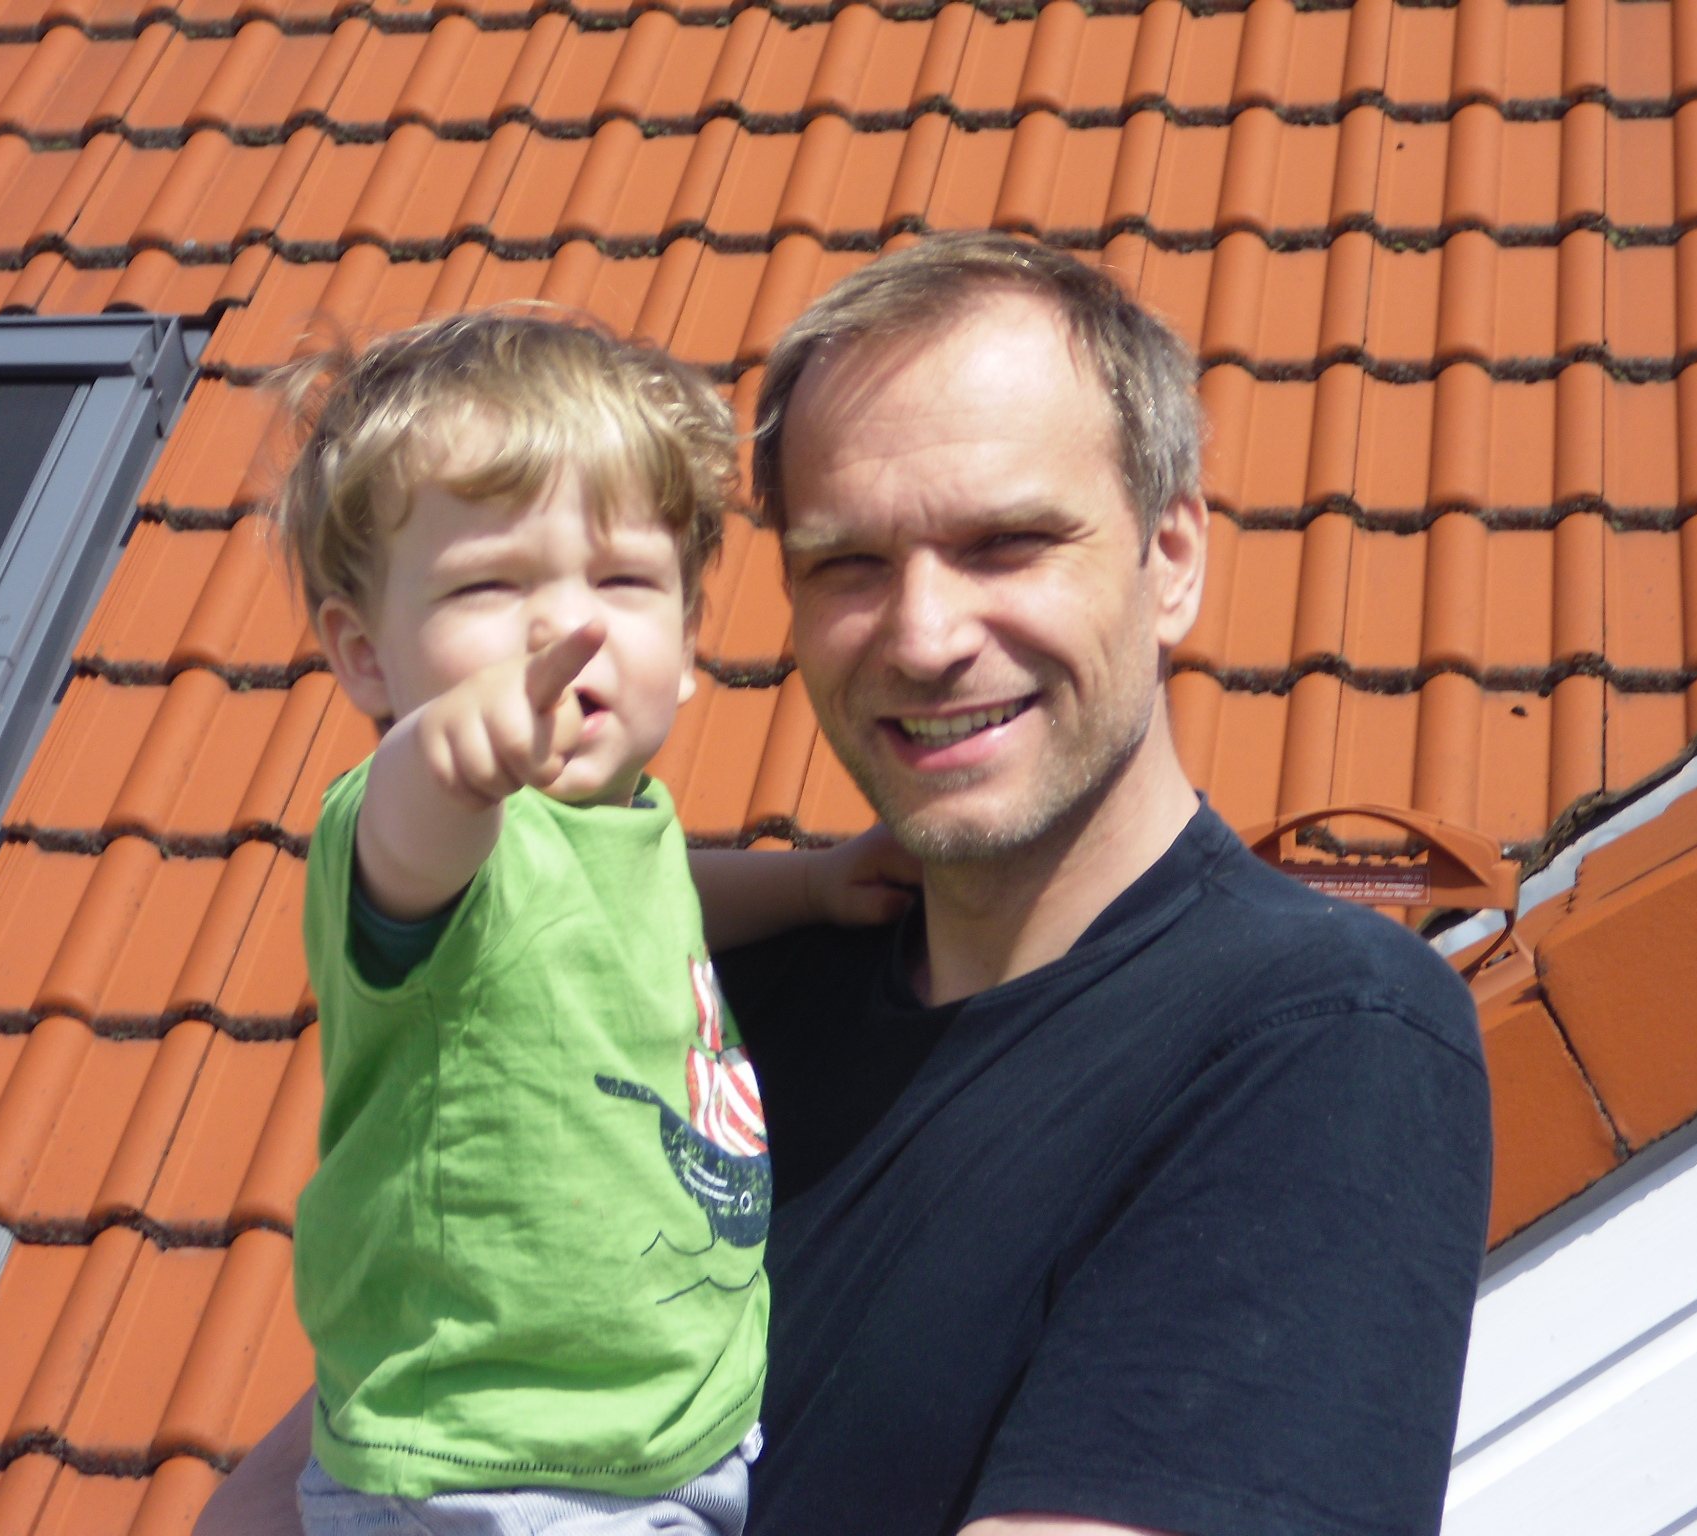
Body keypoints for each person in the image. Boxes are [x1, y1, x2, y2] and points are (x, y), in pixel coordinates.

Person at [201, 235, 1491, 1536]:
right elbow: (311, 1478)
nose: (925, 638)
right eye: (847, 564)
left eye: (1005, 543)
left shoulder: (1320, 1039)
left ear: (1172, 559)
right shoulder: (693, 999)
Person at [270, 313, 917, 1536]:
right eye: (487, 584)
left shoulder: (621, 821)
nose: (563, 630)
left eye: (623, 582)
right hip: (499, 1472)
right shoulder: (413, 832)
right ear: (363, 656)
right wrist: (450, 754)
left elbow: (653, 888)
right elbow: (412, 840)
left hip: (652, 1446)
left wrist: (809, 886)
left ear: (687, 642)